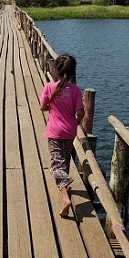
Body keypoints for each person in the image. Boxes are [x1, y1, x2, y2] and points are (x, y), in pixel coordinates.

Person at [39, 54, 85, 217]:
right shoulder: (76, 90)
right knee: (64, 159)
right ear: (73, 73)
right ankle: (65, 186)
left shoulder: (49, 87)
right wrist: (74, 121)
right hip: (70, 131)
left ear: (55, 70)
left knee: (55, 165)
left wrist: (52, 107)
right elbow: (81, 112)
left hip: (54, 131)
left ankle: (65, 197)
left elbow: (43, 107)